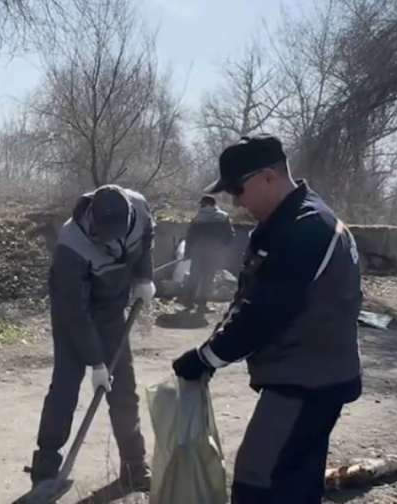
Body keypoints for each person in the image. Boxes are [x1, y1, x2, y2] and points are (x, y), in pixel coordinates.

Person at [172, 135, 362, 504]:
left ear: (268, 177)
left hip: (307, 378)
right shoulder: (289, 221)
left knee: (260, 479)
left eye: (237, 189)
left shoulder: (307, 227)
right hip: (311, 374)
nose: (236, 201)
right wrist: (212, 350)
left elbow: (265, 312)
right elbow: (248, 298)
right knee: (295, 480)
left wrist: (206, 358)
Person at [29, 184, 156, 492]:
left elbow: (146, 239)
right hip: (74, 311)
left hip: (111, 309)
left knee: (123, 388)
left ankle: (134, 466)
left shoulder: (139, 208)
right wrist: (97, 363)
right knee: (65, 387)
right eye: (103, 236)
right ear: (93, 221)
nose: (109, 242)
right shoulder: (71, 246)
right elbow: (73, 313)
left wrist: (144, 277)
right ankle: (46, 469)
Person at [181, 195, 235, 312]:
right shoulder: (223, 217)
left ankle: (188, 302)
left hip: (198, 252)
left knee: (194, 277)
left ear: (208, 204)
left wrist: (187, 252)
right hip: (214, 252)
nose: (201, 206)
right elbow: (230, 235)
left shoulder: (197, 218)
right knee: (208, 278)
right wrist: (221, 246)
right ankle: (202, 305)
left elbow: (189, 237)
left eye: (202, 204)